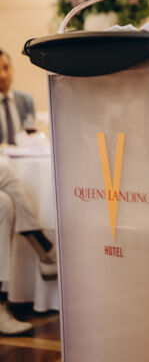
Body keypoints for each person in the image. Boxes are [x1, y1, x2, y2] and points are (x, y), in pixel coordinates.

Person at [0, 49, 57, 336]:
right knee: (6, 174)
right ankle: (43, 246)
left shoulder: (23, 100)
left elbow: (31, 133)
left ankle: (2, 304)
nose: (2, 75)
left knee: (5, 204)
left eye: (5, 68)